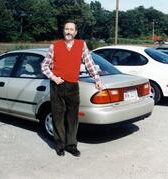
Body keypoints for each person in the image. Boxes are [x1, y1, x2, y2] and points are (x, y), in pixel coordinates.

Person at [41, 20, 104, 157]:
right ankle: (60, 145)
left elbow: (90, 64)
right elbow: (44, 66)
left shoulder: (82, 45)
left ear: (75, 32)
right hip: (57, 85)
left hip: (73, 86)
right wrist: (54, 77)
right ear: (63, 31)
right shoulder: (54, 46)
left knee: (72, 117)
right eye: (66, 29)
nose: (68, 31)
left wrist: (97, 79)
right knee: (58, 117)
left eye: (71, 29)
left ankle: (71, 145)